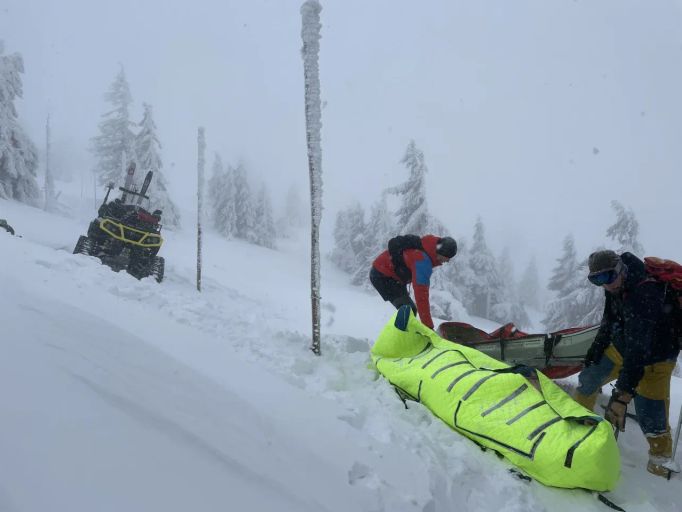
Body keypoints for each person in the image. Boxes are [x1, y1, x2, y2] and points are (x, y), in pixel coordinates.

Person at [575, 249, 680, 477]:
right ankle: (578, 426)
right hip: (624, 346)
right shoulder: (615, 287)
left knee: (651, 416)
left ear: (621, 269)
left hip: (657, 358)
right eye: (597, 280)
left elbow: (639, 352)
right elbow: (609, 319)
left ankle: (660, 467)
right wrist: (595, 350)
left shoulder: (645, 293)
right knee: (589, 377)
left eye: (608, 277)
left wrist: (622, 397)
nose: (606, 285)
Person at [370, 234, 457, 329]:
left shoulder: (427, 247)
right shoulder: (423, 261)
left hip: (391, 277)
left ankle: (402, 335)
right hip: (382, 276)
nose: (448, 261)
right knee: (408, 309)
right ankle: (398, 337)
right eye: (448, 257)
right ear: (442, 253)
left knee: (409, 310)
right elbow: (421, 296)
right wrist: (428, 327)